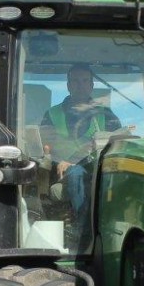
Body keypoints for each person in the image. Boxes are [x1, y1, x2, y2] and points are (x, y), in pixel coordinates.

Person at [38, 63, 121, 239]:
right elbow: (43, 149)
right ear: (68, 86)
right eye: (75, 81)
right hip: (63, 170)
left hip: (100, 168)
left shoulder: (107, 114)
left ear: (92, 86)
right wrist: (60, 161)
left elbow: (118, 143)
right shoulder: (52, 114)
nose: (80, 85)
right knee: (76, 173)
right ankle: (84, 231)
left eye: (85, 81)